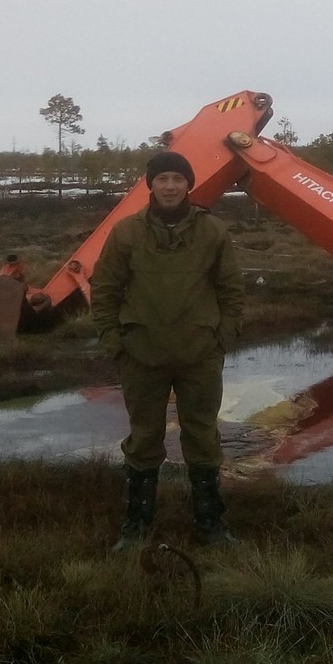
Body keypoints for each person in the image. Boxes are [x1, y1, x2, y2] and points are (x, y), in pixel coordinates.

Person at [91, 150, 244, 548]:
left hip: (200, 356)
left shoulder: (213, 232)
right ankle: (136, 527)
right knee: (143, 440)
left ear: (189, 184)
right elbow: (105, 290)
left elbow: (231, 291)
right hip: (141, 355)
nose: (171, 186)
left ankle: (211, 525)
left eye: (178, 178)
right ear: (150, 185)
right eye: (163, 179)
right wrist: (115, 343)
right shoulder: (126, 232)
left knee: (203, 437)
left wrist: (221, 340)